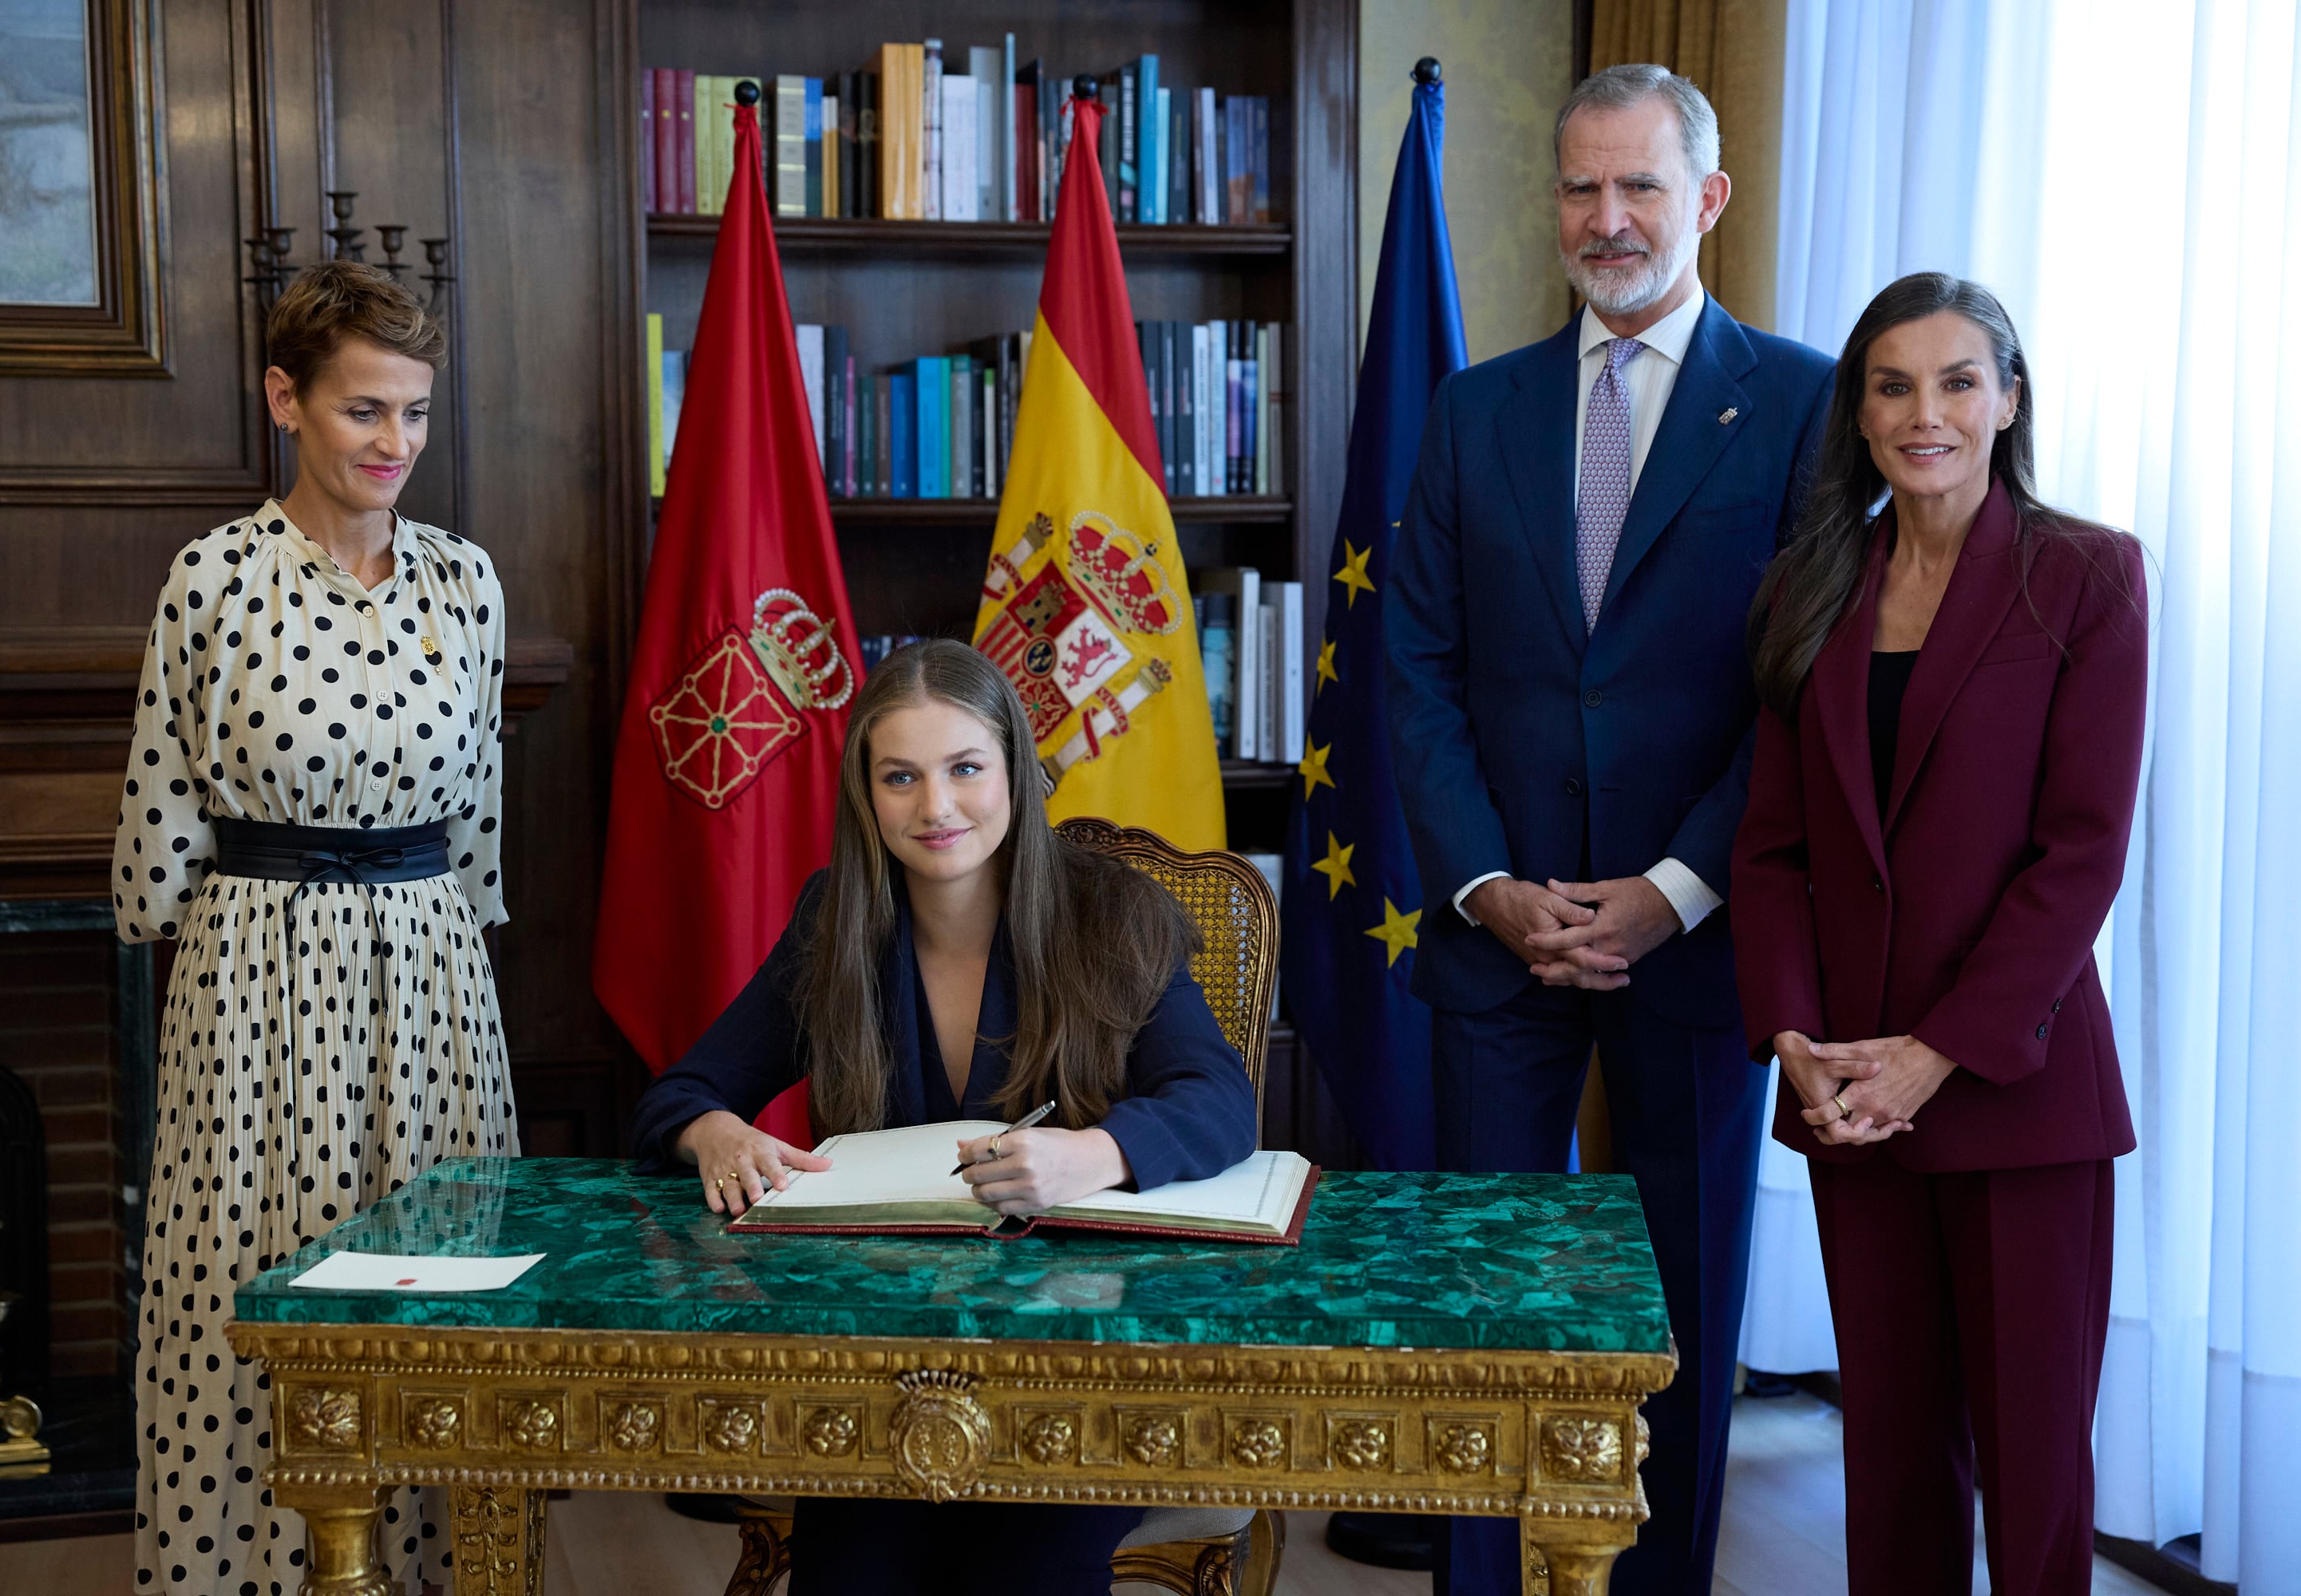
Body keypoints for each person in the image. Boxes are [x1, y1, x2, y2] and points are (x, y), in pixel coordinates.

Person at [1386, 62, 1837, 1595]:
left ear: (1706, 199)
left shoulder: (1804, 401)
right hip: (1499, 939)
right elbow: (1420, 671)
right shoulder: (1472, 407)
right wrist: (1488, 885)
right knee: (1482, 1313)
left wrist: (1673, 889)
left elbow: (1804, 692)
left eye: (1641, 185)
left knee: (1682, 1306)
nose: (1607, 216)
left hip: (1696, 942)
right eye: (1581, 186)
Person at [630, 638, 1257, 1596]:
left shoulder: (1115, 911)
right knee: (853, 1570)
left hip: (1079, 1353)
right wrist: (712, 1132)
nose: (936, 806)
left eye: (965, 767)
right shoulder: (835, 919)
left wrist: (1094, 1153)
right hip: (885, 1354)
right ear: (866, 794)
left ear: (1013, 769)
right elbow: (683, 1091)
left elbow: (1221, 1100)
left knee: (1021, 1568)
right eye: (901, 777)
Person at [1731, 272, 2145, 1595]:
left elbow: (2082, 856)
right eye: (1893, 385)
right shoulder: (1809, 585)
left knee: (2034, 1470)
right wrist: (1795, 1037)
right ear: (1857, 413)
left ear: (2009, 397)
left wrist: (1935, 1054)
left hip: (2017, 1091)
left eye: (1960, 381)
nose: (1928, 414)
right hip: (1853, 1096)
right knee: (1893, 1456)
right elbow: (1775, 846)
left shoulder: (2086, 573)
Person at [116, 259, 513, 1596]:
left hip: (432, 971)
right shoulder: (211, 580)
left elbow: (481, 823)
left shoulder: (467, 583)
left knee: (441, 1297)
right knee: (246, 1295)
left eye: (414, 412)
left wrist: (459, 937)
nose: (395, 443)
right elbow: (161, 806)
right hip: (252, 976)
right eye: (363, 411)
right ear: (287, 400)